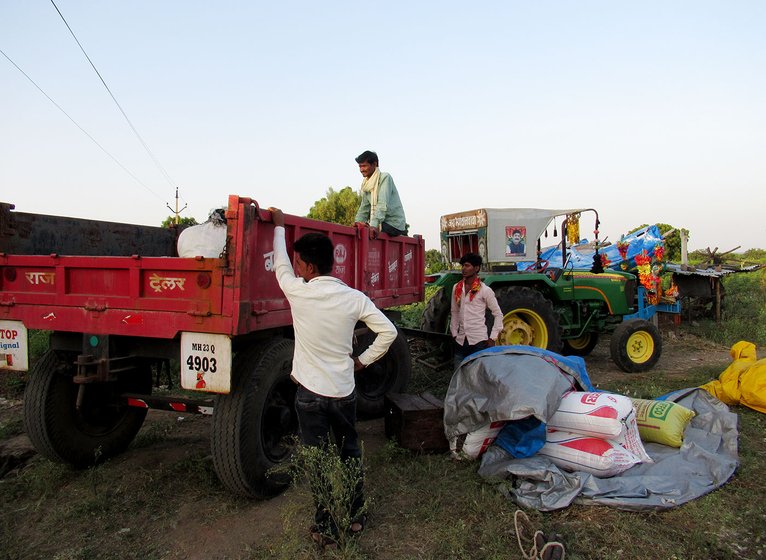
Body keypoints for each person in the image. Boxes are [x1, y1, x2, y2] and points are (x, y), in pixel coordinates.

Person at [269, 207, 397, 545]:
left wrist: (279, 227)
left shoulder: (298, 292)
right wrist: (363, 361)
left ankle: (324, 524)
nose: (296, 268)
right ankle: (355, 516)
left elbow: (280, 265)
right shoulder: (354, 298)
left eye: (300, 264)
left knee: (317, 461)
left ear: (309, 267)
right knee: (349, 452)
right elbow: (388, 332)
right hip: (343, 393)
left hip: (309, 396)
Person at [450, 253, 504, 368]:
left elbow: (498, 314)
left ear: (476, 268)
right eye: (463, 266)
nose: (463, 269)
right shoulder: (457, 288)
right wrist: (454, 332)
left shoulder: (485, 290)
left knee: (476, 377)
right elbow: (454, 311)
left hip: (478, 342)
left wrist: (492, 338)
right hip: (460, 341)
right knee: (458, 375)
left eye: (467, 265)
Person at [354, 150, 408, 237]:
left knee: (366, 231)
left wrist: (373, 225)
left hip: (394, 224)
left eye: (364, 166)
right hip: (381, 223)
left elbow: (382, 204)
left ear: (374, 164)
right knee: (361, 229)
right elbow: (363, 208)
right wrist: (357, 223)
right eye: (360, 166)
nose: (361, 170)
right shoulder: (366, 184)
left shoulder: (385, 177)